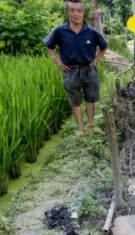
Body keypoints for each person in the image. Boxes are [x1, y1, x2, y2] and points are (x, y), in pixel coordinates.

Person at [43, 0, 108, 136]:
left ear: (83, 13)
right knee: (74, 98)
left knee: (91, 97)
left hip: (89, 69)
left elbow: (104, 45)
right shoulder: (60, 30)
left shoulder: (91, 31)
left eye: (79, 10)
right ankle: (80, 128)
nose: (76, 14)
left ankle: (90, 124)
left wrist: (96, 59)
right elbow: (49, 45)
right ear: (66, 12)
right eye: (72, 10)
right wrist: (57, 61)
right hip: (70, 70)